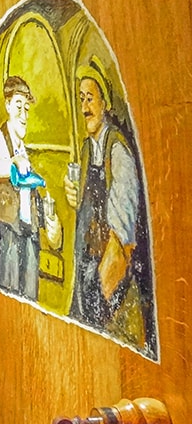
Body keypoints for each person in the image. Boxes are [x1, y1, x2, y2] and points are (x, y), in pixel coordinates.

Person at [63, 57, 150, 349]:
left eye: (91, 98)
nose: (85, 106)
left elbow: (122, 240)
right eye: (81, 99)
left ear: (106, 104)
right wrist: (74, 199)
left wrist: (99, 296)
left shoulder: (118, 152)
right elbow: (88, 211)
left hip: (113, 289)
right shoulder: (88, 149)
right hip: (87, 277)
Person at [0, 76, 61, 299]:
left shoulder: (24, 151)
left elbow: (29, 194)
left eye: (27, 108)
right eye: (18, 106)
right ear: (7, 105)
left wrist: (49, 221)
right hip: (9, 234)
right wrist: (11, 165)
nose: (24, 115)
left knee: (30, 294)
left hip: (30, 236)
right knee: (10, 290)